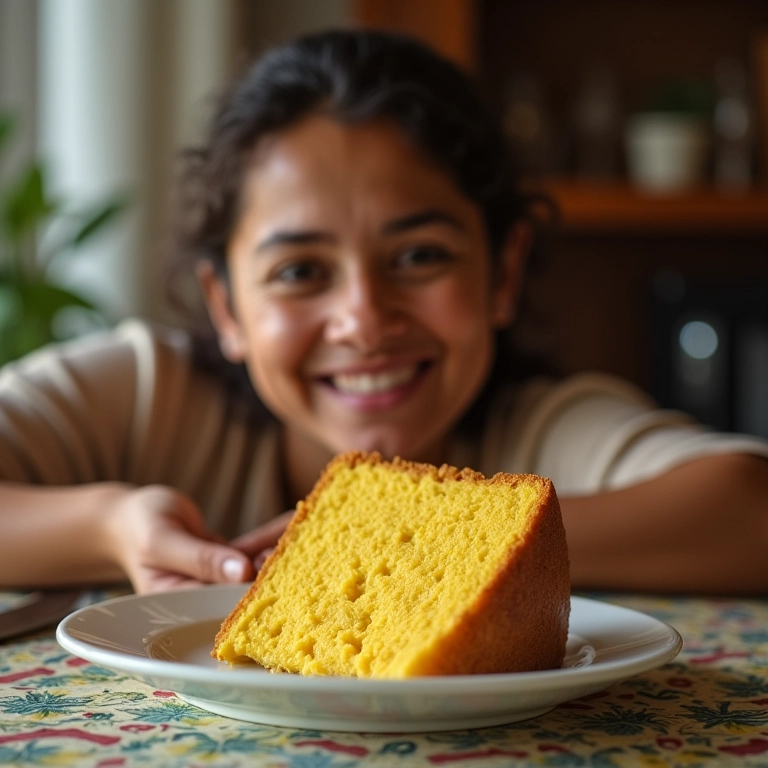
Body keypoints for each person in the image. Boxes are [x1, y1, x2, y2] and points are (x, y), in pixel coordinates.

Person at [1, 29, 767, 597]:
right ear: (225, 306)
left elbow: (747, 510)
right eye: (300, 271)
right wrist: (110, 525)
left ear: (503, 270)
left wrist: (429, 535)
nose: (363, 320)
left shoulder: (539, 431)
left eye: (419, 257)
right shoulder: (147, 395)